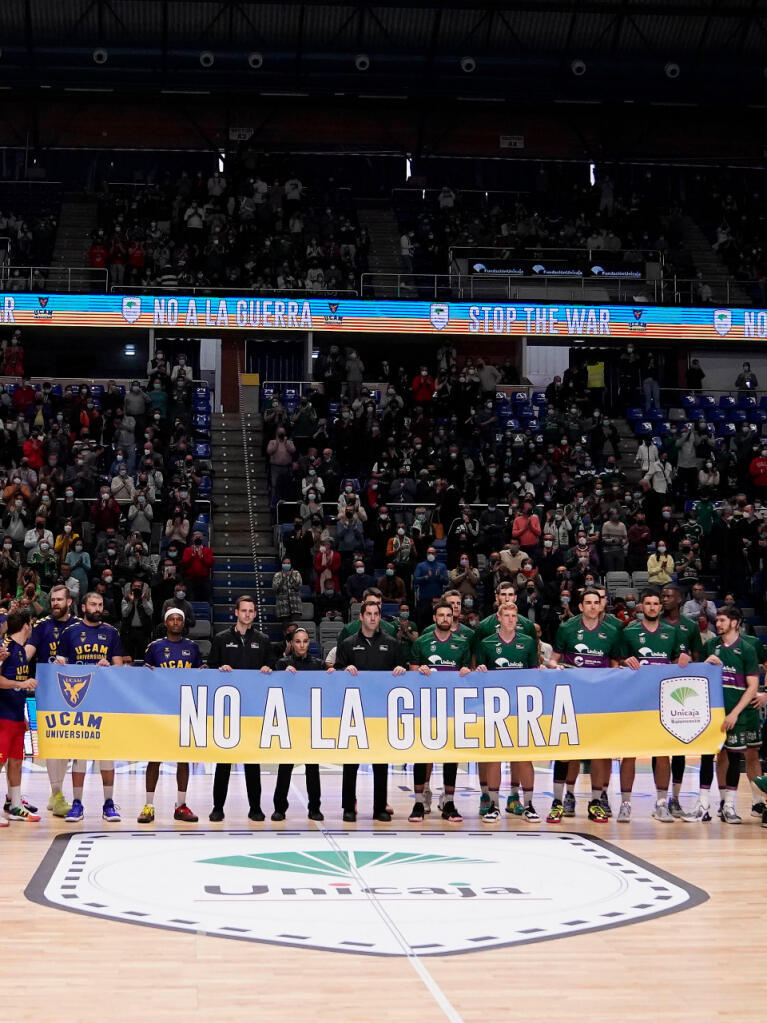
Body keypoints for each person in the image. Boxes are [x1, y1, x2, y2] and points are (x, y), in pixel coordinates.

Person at [548, 589, 622, 824]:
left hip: (599, 702)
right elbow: (554, 659)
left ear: (601, 606)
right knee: (566, 751)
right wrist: (554, 667)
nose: (592, 606)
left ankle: (596, 801)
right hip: (571, 700)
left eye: (596, 603)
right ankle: (561, 800)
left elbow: (614, 666)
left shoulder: (612, 631)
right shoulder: (567, 628)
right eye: (587, 603)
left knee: (599, 753)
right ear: (580, 606)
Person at [617, 590, 689, 823]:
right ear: (641, 607)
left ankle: (661, 803)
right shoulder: (628, 632)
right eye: (647, 603)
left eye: (656, 604)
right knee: (629, 754)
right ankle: (625, 804)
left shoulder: (672, 632)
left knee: (662, 754)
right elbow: (615, 663)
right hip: (634, 702)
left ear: (661, 607)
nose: (652, 607)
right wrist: (623, 662)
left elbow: (680, 660)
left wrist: (683, 660)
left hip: (661, 702)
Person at [684, 606, 760, 824]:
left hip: (736, 714)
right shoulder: (710, 645)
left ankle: (729, 806)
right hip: (712, 713)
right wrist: (705, 665)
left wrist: (735, 713)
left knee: (734, 758)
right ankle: (703, 805)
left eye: (722, 620)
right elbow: (698, 677)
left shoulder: (747, 649)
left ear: (734, 623)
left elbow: (752, 686)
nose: (717, 624)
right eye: (716, 620)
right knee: (707, 757)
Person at [333, 600, 406, 822]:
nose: (373, 618)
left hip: (380, 711)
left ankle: (379, 807)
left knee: (380, 761)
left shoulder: (392, 644)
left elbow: (403, 671)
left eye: (376, 614)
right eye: (369, 614)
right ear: (361, 617)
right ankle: (348, 806)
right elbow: (335, 672)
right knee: (351, 761)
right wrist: (344, 670)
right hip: (354, 711)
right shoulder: (347, 644)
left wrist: (401, 670)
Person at [55, 592, 124, 822]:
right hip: (79, 702)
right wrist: (60, 663)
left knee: (107, 756)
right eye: (93, 604)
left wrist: (109, 667)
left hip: (105, 701)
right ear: (83, 607)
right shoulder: (69, 632)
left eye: (100, 605)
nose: (97, 608)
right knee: (80, 754)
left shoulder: (111, 632)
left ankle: (108, 803)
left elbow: (120, 669)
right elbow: (59, 666)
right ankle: (77, 803)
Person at [207, 595, 273, 822]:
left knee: (252, 761)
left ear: (255, 614)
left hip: (253, 709)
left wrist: (267, 668)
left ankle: (255, 807)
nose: (247, 614)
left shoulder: (263, 640)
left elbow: (273, 668)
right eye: (243, 610)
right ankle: (218, 807)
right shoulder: (221, 639)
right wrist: (219, 669)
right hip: (228, 710)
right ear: (236, 612)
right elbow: (210, 668)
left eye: (251, 611)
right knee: (223, 762)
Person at [474, 602, 540, 823]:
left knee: (523, 756)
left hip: (521, 708)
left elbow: (534, 675)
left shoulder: (529, 642)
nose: (511, 619)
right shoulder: (486, 643)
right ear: (498, 618)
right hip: (494, 708)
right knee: (494, 756)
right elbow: (478, 676)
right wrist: (480, 671)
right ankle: (493, 805)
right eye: (507, 616)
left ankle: (529, 804)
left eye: (514, 616)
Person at [407, 601, 472, 824]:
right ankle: (417, 802)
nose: (445, 618)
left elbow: (470, 673)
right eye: (441, 615)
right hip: (427, 707)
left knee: (450, 755)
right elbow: (412, 674)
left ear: (454, 618)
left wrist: (466, 671)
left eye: (448, 615)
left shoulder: (462, 643)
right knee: (421, 754)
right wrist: (419, 671)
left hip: (452, 708)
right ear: (434, 618)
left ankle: (450, 802)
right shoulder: (422, 642)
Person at [138, 608, 203, 824]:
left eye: (179, 619)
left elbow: (199, 678)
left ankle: (181, 805)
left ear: (183, 624)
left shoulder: (192, 648)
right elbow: (145, 678)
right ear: (165, 623)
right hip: (160, 710)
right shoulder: (155, 647)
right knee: (154, 758)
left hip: (184, 710)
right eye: (171, 619)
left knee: (183, 759)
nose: (175, 622)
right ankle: (149, 805)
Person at [24, 583, 82, 817]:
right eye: (53, 600)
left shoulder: (79, 626)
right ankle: (57, 793)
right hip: (48, 690)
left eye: (60, 600)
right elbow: (28, 652)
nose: (55, 603)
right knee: (52, 743)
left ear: (69, 602)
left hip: (75, 693)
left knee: (69, 745)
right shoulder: (42, 626)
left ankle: (56, 792)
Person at [272, 627, 324, 821]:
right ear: (291, 644)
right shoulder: (282, 663)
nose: (301, 645)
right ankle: (279, 808)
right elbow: (273, 686)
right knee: (285, 767)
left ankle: (315, 808)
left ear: (309, 643)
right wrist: (282, 675)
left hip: (310, 723)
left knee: (313, 768)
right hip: (289, 722)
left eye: (305, 641)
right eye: (297, 641)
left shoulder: (317, 664)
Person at [0, 609, 40, 823]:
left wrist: (22, 715)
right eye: (31, 623)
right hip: (2, 716)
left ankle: (15, 806)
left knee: (16, 762)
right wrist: (21, 683)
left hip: (16, 716)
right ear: (27, 624)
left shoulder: (23, 652)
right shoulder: (3, 647)